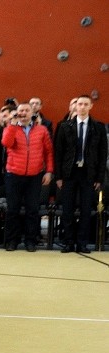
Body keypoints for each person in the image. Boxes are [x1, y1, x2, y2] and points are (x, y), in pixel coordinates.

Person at [54, 95, 107, 253]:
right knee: (68, 208)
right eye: (79, 104)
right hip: (69, 173)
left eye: (85, 104)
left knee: (85, 209)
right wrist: (58, 176)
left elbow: (102, 154)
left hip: (88, 173)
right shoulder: (64, 126)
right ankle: (69, 241)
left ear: (91, 106)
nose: (82, 107)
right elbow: (58, 153)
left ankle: (82, 243)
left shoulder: (98, 127)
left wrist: (99, 177)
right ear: (75, 107)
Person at [2, 101, 54, 251]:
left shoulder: (42, 130)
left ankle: (30, 241)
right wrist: (12, 124)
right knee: (13, 210)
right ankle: (12, 241)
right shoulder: (10, 128)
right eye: (21, 111)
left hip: (35, 175)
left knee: (32, 210)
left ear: (32, 113)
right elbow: (6, 143)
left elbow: (49, 152)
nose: (23, 113)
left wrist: (49, 171)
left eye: (26, 110)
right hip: (14, 175)